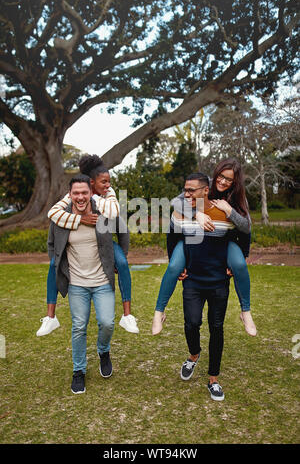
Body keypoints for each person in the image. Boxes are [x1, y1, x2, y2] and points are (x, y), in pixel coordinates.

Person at [152, 158, 256, 337]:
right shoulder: (203, 184)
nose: (223, 181)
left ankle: (245, 311)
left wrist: (229, 210)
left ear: (235, 181)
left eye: (229, 179)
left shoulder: (238, 197)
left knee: (239, 265)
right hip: (191, 237)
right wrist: (196, 214)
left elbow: (246, 227)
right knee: (175, 266)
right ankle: (159, 312)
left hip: (224, 239)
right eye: (221, 177)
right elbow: (176, 202)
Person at [37, 155, 139, 337]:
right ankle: (50, 317)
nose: (108, 185)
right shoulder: (73, 196)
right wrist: (81, 219)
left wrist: (118, 256)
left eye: (109, 181)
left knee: (122, 263)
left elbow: (118, 220)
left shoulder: (108, 195)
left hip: (105, 244)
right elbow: (53, 213)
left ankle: (127, 315)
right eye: (104, 182)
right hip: (76, 245)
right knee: (54, 265)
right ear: (92, 183)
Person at [48, 174, 129, 394]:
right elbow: (52, 244)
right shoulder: (62, 217)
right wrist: (59, 267)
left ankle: (103, 350)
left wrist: (120, 259)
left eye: (84, 192)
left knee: (107, 323)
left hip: (102, 280)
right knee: (79, 327)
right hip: (77, 284)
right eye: (76, 193)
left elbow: (123, 232)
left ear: (91, 192)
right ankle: (79, 371)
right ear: (70, 194)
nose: (81, 197)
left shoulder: (103, 213)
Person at [172, 172, 234, 401]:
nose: (186, 194)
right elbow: (172, 237)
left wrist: (235, 262)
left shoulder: (223, 212)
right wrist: (177, 265)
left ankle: (213, 379)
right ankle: (194, 354)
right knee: (192, 322)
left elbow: (241, 235)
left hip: (218, 281)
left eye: (191, 190)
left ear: (205, 190)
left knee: (216, 328)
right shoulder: (181, 212)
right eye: (185, 189)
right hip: (193, 280)